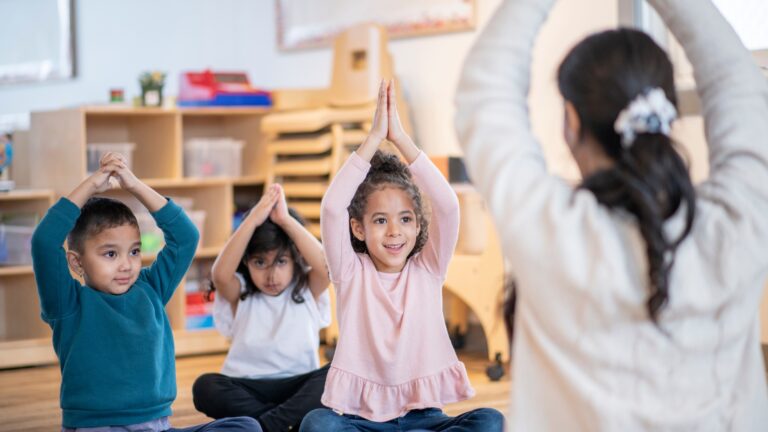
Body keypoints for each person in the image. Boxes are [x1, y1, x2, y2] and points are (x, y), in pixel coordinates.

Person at [455, 0, 768, 430]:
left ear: (570, 123)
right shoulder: (738, 222)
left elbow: (484, 92)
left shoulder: (551, 229)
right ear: (667, 114)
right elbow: (740, 84)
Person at [300, 81, 504, 431]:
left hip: (424, 418)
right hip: (362, 420)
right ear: (359, 228)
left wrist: (401, 139)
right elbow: (332, 208)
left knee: (490, 420)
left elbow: (448, 206)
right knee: (318, 424)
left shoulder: (428, 267)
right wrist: (375, 137)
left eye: (405, 219)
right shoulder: (349, 271)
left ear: (417, 224)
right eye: (380, 220)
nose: (395, 231)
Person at [31, 152, 261, 431]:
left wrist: (135, 185)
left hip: (158, 426)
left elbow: (186, 236)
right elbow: (44, 241)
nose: (126, 265)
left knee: (246, 426)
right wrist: (91, 184)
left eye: (135, 251)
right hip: (99, 427)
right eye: (110, 254)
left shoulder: (152, 288)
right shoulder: (68, 304)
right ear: (76, 262)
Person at [192, 183, 332, 432]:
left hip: (298, 385)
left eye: (281, 261)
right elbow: (220, 274)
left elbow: (327, 267)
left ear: (295, 258)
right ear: (246, 261)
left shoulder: (306, 288)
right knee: (205, 387)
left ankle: (263, 426)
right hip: (247, 386)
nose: (272, 274)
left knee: (336, 374)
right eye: (260, 262)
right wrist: (252, 221)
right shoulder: (241, 290)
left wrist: (286, 220)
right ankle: (282, 423)